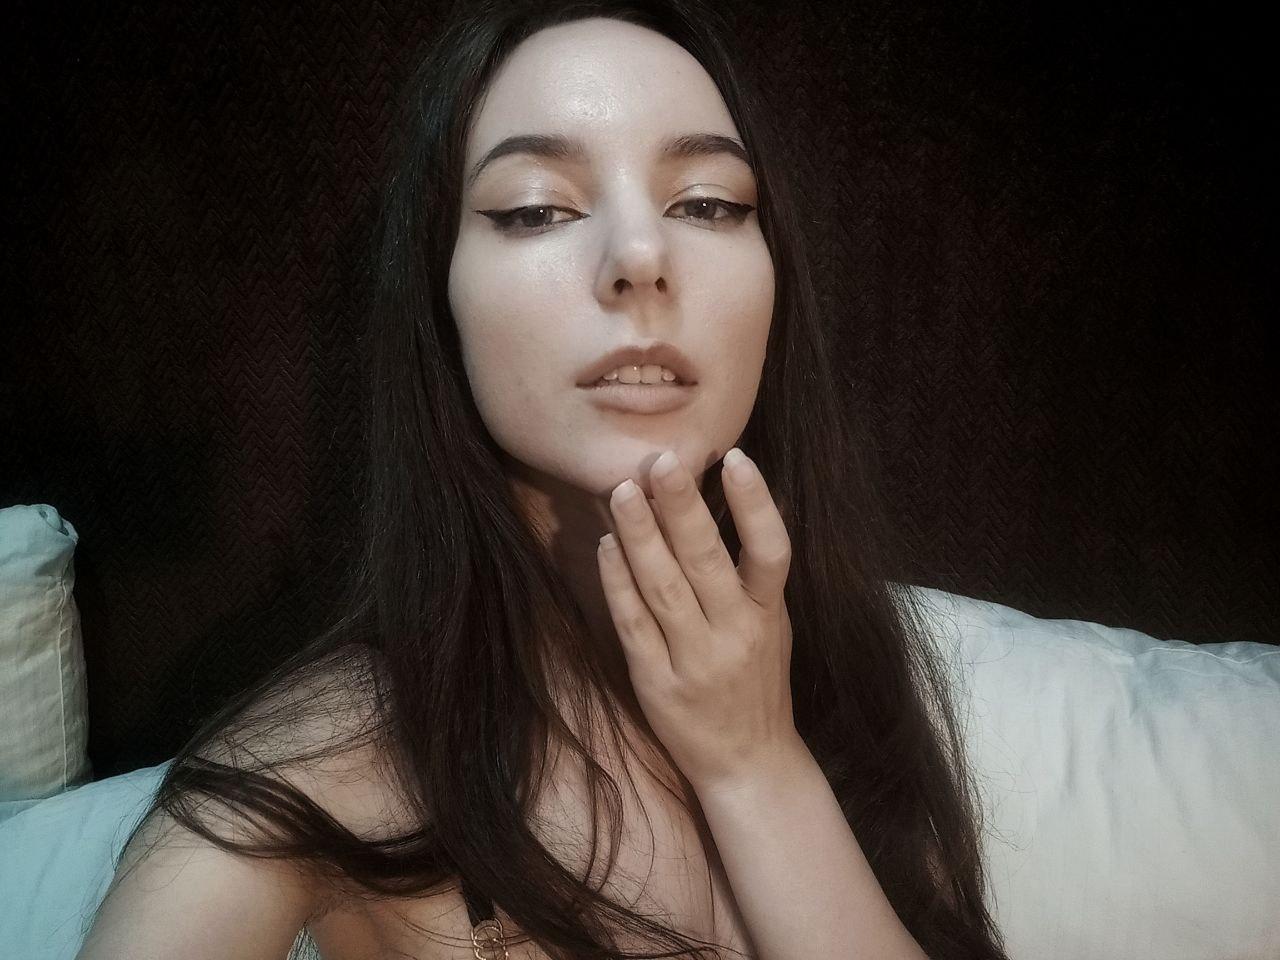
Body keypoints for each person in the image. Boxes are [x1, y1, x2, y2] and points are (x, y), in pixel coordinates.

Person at [76, 2, 1009, 958]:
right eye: (535, 209)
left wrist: (757, 765)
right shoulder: (303, 781)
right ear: (439, 299)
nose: (640, 257)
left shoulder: (850, 672)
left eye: (707, 204)